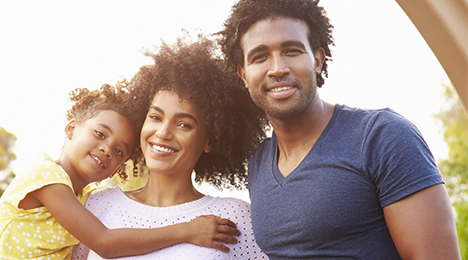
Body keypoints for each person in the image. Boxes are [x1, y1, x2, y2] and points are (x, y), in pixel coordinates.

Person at [218, 0, 462, 259]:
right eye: (260, 57)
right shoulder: (258, 163)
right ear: (243, 75)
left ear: (318, 60)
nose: (278, 68)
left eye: (291, 50)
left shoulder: (382, 136)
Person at [71, 35, 269, 260]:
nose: (163, 132)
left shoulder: (235, 217)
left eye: (184, 124)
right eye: (155, 117)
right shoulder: (98, 203)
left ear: (210, 140)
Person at [0, 84, 241, 260]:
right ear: (72, 128)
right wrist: (187, 230)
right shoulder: (46, 176)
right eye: (100, 134)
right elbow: (105, 243)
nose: (106, 149)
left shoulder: (89, 198)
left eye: (119, 151)